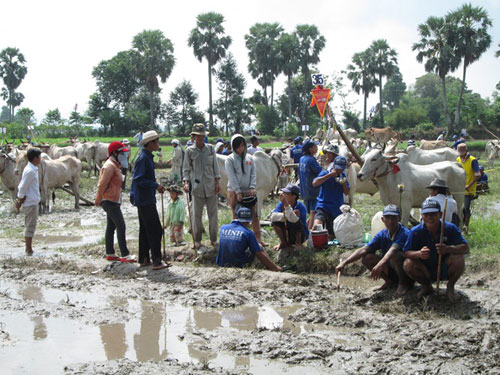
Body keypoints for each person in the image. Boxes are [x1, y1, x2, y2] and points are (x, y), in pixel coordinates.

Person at [336, 204, 412, 296]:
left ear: (399, 218)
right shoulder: (382, 234)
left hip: (405, 271)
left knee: (396, 256)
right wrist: (344, 263)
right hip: (391, 268)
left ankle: (403, 284)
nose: (390, 221)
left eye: (393, 218)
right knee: (367, 258)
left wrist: (380, 264)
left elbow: (393, 250)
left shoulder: (404, 233)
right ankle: (389, 281)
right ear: (383, 220)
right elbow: (364, 249)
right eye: (387, 218)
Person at [403, 199, 469, 301]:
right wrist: (419, 254)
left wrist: (448, 249)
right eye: (426, 214)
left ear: (440, 214)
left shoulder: (450, 228)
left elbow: (465, 248)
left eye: (433, 214)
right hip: (425, 268)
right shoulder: (415, 231)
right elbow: (406, 252)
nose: (430, 217)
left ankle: (450, 287)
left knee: (458, 259)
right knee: (408, 264)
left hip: (444, 267)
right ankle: (426, 286)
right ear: (422, 215)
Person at [130, 130, 169, 270]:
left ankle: (144, 258)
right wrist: (155, 185)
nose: (158, 143)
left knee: (145, 229)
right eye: (156, 141)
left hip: (144, 198)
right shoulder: (144, 159)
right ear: (150, 143)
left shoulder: (146, 157)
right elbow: (138, 179)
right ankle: (157, 261)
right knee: (155, 230)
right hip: (145, 200)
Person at [95, 141, 136, 263]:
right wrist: (98, 197)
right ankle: (125, 254)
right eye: (121, 153)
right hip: (109, 200)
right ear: (114, 153)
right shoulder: (109, 166)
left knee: (111, 226)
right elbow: (102, 184)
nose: (124, 156)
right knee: (121, 225)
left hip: (113, 199)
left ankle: (110, 253)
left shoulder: (115, 165)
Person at [182, 123, 220, 249]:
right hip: (197, 188)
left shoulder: (210, 149)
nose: (200, 138)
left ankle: (214, 239)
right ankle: (197, 240)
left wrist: (217, 183)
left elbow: (216, 167)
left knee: (213, 215)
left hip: (211, 187)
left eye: (202, 136)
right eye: (198, 136)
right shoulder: (189, 151)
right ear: (193, 137)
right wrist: (186, 182)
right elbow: (186, 169)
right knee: (196, 215)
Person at [225, 134, 265, 246]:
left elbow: (253, 173)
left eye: (242, 146)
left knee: (254, 215)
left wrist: (252, 187)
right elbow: (231, 176)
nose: (240, 149)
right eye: (237, 147)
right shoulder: (230, 159)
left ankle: (258, 240)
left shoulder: (249, 158)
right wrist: (237, 191)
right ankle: (237, 241)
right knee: (236, 215)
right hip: (234, 190)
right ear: (233, 147)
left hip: (249, 190)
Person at [216, 207, 281, 271]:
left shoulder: (223, 228)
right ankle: (271, 267)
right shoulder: (248, 232)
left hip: (221, 264)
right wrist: (275, 268)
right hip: (237, 266)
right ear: (249, 221)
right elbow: (259, 253)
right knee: (259, 247)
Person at [312, 153, 350, 239]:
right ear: (334, 166)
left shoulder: (343, 176)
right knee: (317, 225)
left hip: (336, 208)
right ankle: (313, 242)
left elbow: (346, 192)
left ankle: (326, 241)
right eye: (337, 168)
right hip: (323, 205)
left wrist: (343, 184)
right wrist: (329, 176)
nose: (339, 171)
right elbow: (315, 183)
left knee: (332, 235)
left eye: (341, 169)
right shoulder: (325, 173)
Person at [16, 148, 42, 256]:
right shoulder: (30, 171)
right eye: (39, 157)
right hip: (30, 202)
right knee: (30, 226)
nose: (40, 159)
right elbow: (22, 187)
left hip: (32, 201)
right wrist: (20, 199)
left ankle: (29, 249)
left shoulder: (32, 169)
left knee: (31, 225)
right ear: (35, 158)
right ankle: (28, 250)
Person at [271, 183, 308, 252]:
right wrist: (286, 214)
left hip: (299, 234)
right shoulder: (281, 204)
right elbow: (274, 216)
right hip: (288, 231)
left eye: (287, 194)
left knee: (295, 221)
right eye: (284, 193)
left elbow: (296, 221)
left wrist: (287, 208)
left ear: (294, 196)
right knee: (275, 222)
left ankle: (298, 243)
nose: (284, 195)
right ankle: (283, 242)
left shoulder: (300, 206)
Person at [456, 143, 480, 233]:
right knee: (458, 208)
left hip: (468, 189)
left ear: (466, 151)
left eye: (462, 152)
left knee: (466, 208)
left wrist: (469, 185)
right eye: (459, 152)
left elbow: (477, 175)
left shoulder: (473, 160)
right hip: (458, 189)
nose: (461, 154)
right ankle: (459, 225)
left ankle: (466, 227)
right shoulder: (458, 159)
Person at [299, 139, 322, 230]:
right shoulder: (311, 160)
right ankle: (309, 235)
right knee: (313, 213)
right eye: (314, 146)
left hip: (305, 190)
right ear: (310, 149)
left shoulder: (302, 159)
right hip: (313, 191)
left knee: (310, 213)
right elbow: (320, 172)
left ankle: (304, 229)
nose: (316, 148)